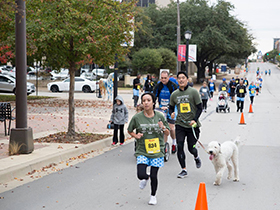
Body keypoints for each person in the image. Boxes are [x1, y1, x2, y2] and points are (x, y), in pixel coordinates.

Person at [128, 93, 170, 205]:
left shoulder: (160, 116)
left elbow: (167, 132)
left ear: (153, 102)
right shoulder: (137, 117)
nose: (146, 102)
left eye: (148, 100)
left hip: (157, 150)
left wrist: (163, 127)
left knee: (154, 175)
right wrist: (135, 136)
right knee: (140, 174)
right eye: (144, 100)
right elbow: (130, 130)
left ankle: (153, 196)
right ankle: (145, 178)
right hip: (142, 150)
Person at [169, 71, 203, 178]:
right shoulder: (174, 94)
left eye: (183, 78)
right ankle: (183, 169)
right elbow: (170, 107)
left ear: (187, 80)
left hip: (192, 126)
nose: (181, 80)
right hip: (180, 124)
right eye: (179, 78)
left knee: (190, 148)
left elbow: (200, 107)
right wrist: (172, 113)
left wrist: (194, 119)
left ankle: (196, 156)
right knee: (179, 146)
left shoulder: (193, 92)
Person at [153, 71, 178, 154]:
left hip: (171, 109)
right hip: (161, 109)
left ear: (168, 78)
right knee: (163, 128)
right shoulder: (158, 86)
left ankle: (174, 142)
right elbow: (154, 96)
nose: (163, 80)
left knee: (171, 128)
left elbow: (176, 97)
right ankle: (164, 145)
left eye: (165, 78)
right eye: (162, 78)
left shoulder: (172, 86)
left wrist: (170, 106)